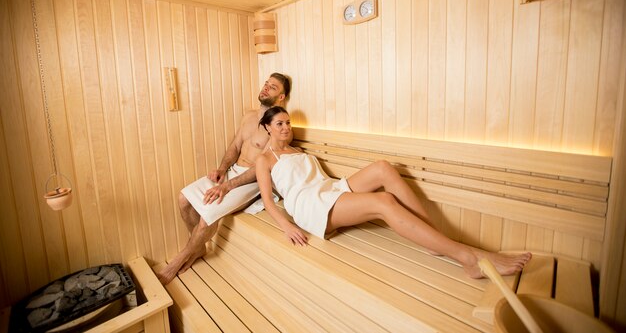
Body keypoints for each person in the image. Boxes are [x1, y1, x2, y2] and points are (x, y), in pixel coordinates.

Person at [255, 107, 532, 279]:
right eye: (279, 123)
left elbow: (321, 179)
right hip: (311, 205)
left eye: (288, 123)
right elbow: (268, 201)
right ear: (267, 127)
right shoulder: (265, 160)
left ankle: (434, 241)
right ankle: (467, 258)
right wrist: (286, 227)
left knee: (384, 169)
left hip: (328, 188)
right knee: (384, 201)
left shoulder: (297, 151)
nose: (286, 128)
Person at [156, 73, 291, 285]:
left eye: (272, 87)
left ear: (281, 97)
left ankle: (178, 260)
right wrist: (222, 169)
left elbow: (261, 166)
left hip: (252, 180)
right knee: (184, 199)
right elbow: (235, 146)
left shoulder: (278, 126)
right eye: (266, 84)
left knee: (208, 214)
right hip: (232, 171)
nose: (265, 88)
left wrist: (228, 186)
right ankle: (198, 246)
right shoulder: (249, 117)